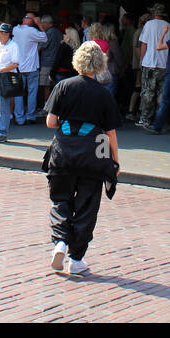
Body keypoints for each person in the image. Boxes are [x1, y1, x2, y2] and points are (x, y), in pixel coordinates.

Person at [44, 41, 122, 275]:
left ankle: (60, 241)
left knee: (61, 199)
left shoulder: (63, 86)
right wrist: (115, 161)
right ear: (99, 65)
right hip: (93, 154)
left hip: (63, 151)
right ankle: (76, 259)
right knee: (87, 205)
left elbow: (50, 122)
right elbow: (111, 133)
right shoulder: (103, 94)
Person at [136, 4, 170, 129]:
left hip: (149, 62)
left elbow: (144, 44)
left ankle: (145, 118)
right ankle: (159, 118)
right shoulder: (168, 26)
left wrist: (141, 59)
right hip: (164, 63)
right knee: (161, 93)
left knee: (147, 92)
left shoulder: (149, 24)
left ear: (154, 13)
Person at [11, 11, 47, 123]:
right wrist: (39, 24)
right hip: (31, 67)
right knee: (32, 92)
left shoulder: (15, 30)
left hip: (18, 67)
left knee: (18, 93)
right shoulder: (32, 31)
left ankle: (19, 118)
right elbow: (45, 38)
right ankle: (30, 116)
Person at [38, 14, 63, 115]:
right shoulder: (58, 32)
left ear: (47, 23)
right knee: (56, 85)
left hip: (47, 62)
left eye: (43, 23)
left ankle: (47, 108)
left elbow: (40, 47)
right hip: (57, 62)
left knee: (46, 85)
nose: (42, 25)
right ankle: (56, 106)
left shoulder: (49, 33)